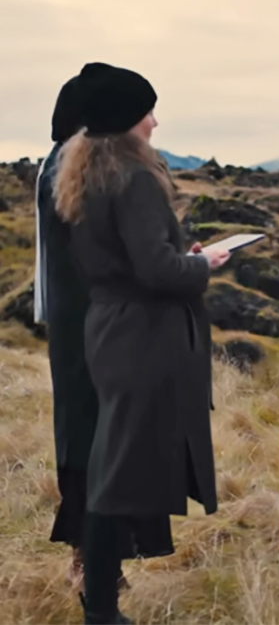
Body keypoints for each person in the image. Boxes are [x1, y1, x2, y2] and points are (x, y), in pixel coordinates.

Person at [53, 61, 230, 624]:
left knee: (114, 470)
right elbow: (156, 271)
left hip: (112, 330)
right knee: (116, 479)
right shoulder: (132, 178)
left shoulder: (86, 172)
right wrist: (203, 264)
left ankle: (102, 604)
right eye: (146, 110)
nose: (154, 121)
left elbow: (124, 262)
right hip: (142, 338)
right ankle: (101, 610)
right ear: (128, 118)